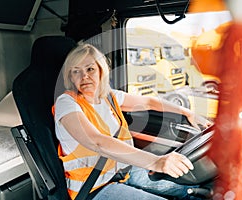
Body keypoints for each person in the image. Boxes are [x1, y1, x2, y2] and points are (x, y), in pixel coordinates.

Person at [53, 43, 212, 200]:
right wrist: (156, 162)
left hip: (124, 170)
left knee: (191, 189)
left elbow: (150, 102)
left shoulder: (108, 96)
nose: (84, 77)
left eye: (90, 69)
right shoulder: (66, 103)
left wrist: (187, 112)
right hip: (93, 185)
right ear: (70, 77)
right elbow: (97, 142)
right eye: (76, 71)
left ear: (101, 71)